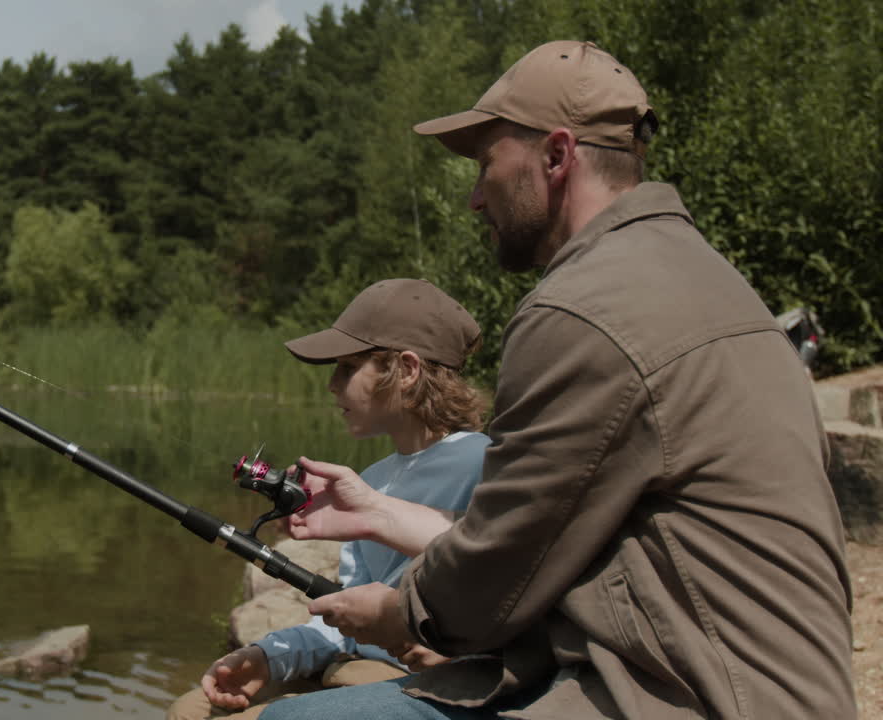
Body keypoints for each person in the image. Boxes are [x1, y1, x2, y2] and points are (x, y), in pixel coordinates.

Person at [258, 40, 856, 719]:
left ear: (556, 155)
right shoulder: (712, 281)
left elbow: (494, 573)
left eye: (486, 167)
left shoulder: (581, 309)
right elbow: (541, 527)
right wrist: (378, 512)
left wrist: (402, 613)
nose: (476, 200)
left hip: (694, 696)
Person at [166, 278, 492, 720]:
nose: (332, 385)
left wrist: (459, 651)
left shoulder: (486, 466)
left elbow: (511, 587)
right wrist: (268, 656)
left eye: (348, 367)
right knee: (189, 710)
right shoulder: (372, 480)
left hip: (427, 688)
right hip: (355, 667)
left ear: (408, 370)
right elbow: (344, 624)